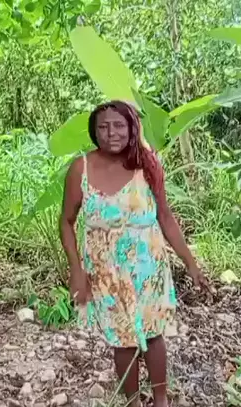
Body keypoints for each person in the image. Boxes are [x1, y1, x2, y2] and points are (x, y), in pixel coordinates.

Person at [59, 100, 208, 407]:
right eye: (103, 127)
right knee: (122, 340)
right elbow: (67, 222)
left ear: (131, 129)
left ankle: (161, 400)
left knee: (153, 335)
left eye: (118, 125)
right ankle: (132, 402)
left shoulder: (147, 164)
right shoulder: (80, 168)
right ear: (94, 132)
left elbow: (165, 217)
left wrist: (191, 263)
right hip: (105, 271)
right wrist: (76, 270)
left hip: (148, 266)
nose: (111, 133)